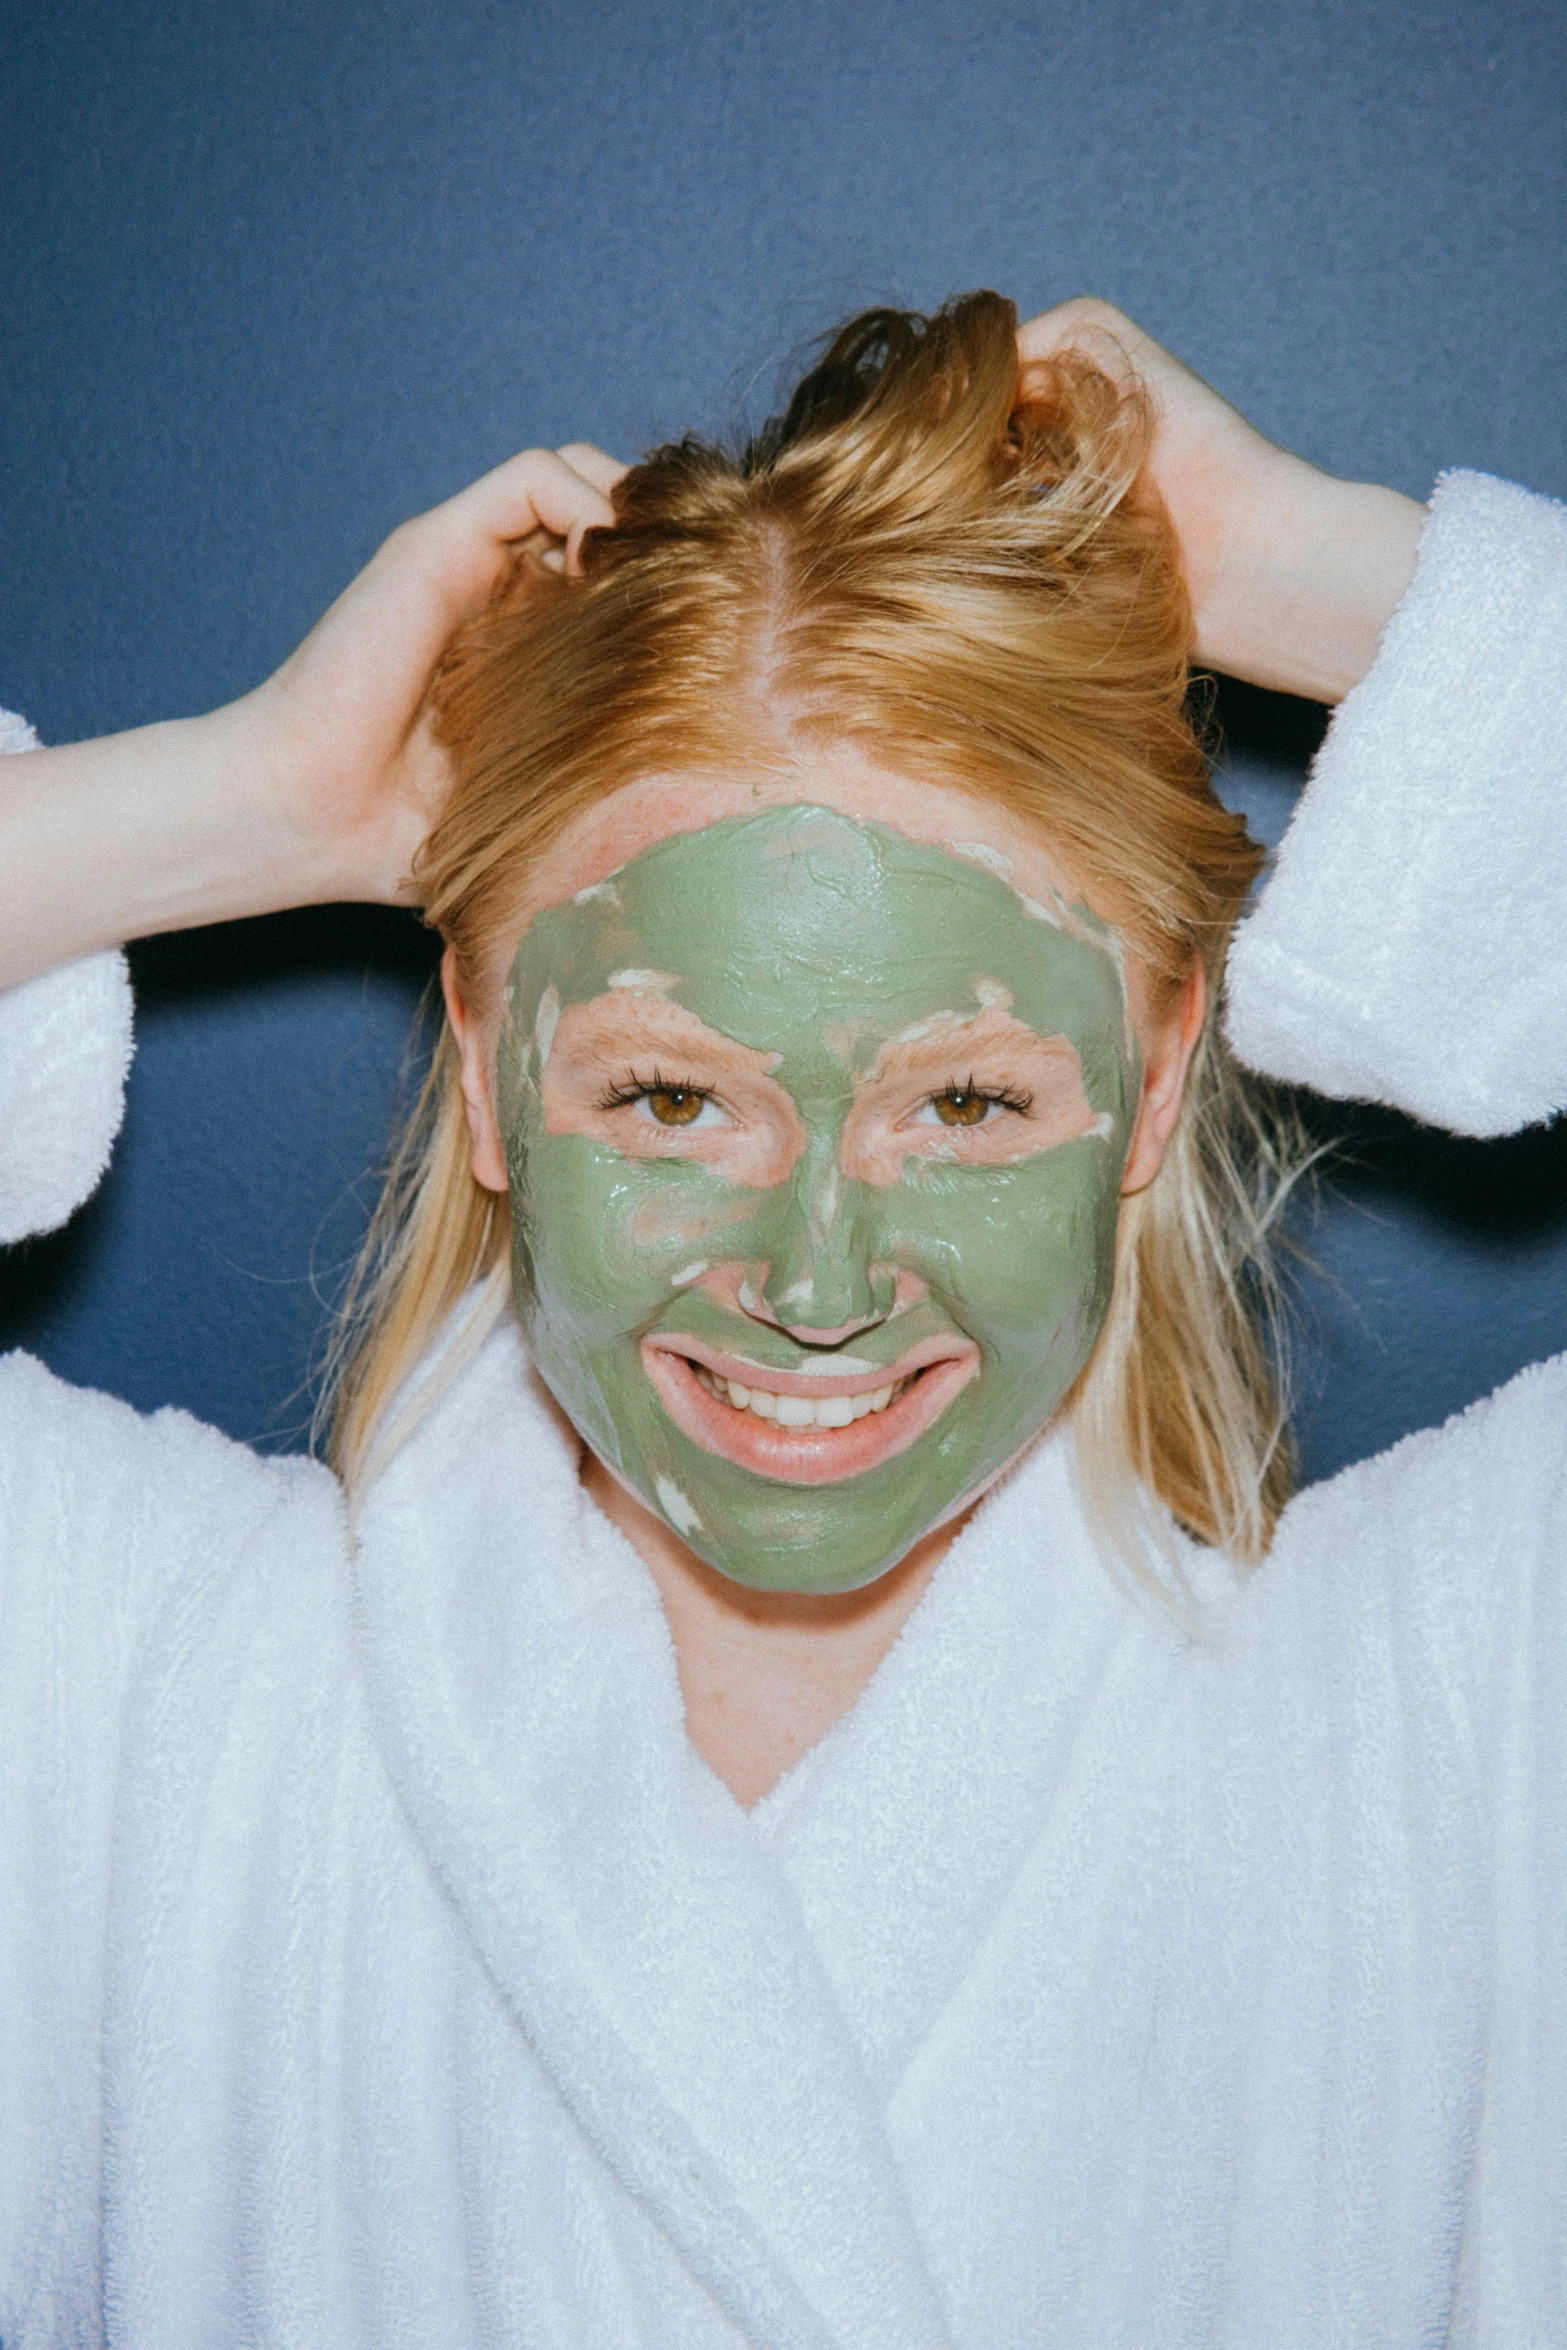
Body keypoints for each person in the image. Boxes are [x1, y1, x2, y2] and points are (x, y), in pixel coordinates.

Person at [0, 291, 1562, 2348]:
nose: (819, 1288)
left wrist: (1321, 576)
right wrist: (250, 798)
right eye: (668, 1094)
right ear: (484, 1069)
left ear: (1154, 1083)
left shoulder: (1457, 1713)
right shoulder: (136, 1696)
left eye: (969, 1100)